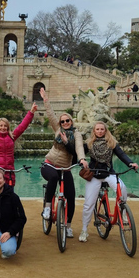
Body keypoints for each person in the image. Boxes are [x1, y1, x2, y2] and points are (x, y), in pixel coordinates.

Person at [39, 87, 88, 239]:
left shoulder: (77, 134)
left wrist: (82, 159)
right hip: (49, 164)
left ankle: (67, 226)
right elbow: (51, 115)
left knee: (71, 197)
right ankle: (47, 208)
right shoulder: (57, 129)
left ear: (71, 122)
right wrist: (46, 101)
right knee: (53, 178)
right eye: (63, 121)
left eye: (67, 120)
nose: (65, 122)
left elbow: (79, 148)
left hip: (65, 168)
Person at [80, 122, 138, 242]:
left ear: (105, 130)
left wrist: (130, 163)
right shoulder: (89, 143)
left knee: (121, 188)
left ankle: (123, 211)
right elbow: (79, 153)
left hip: (108, 173)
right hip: (94, 174)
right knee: (88, 204)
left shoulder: (112, 143)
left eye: (102, 129)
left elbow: (121, 154)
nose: (100, 131)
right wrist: (80, 160)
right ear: (94, 131)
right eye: (98, 129)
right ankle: (84, 230)